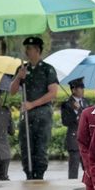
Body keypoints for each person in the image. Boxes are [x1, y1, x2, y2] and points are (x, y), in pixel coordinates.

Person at [9, 36, 59, 180]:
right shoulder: (22, 69)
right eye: (26, 48)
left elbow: (53, 93)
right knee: (26, 146)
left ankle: (39, 175)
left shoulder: (47, 69)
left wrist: (33, 104)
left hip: (42, 114)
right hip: (27, 115)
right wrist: (19, 77)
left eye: (29, 48)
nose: (26, 51)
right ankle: (29, 174)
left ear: (37, 50)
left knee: (40, 146)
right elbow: (12, 91)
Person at [61, 78, 88, 180]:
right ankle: (72, 186)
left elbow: (88, 118)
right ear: (73, 90)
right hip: (74, 138)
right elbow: (65, 121)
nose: (83, 90)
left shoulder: (85, 101)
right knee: (74, 166)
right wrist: (75, 112)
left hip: (86, 139)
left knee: (88, 166)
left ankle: (90, 185)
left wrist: (80, 110)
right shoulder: (66, 104)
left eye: (83, 88)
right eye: (80, 88)